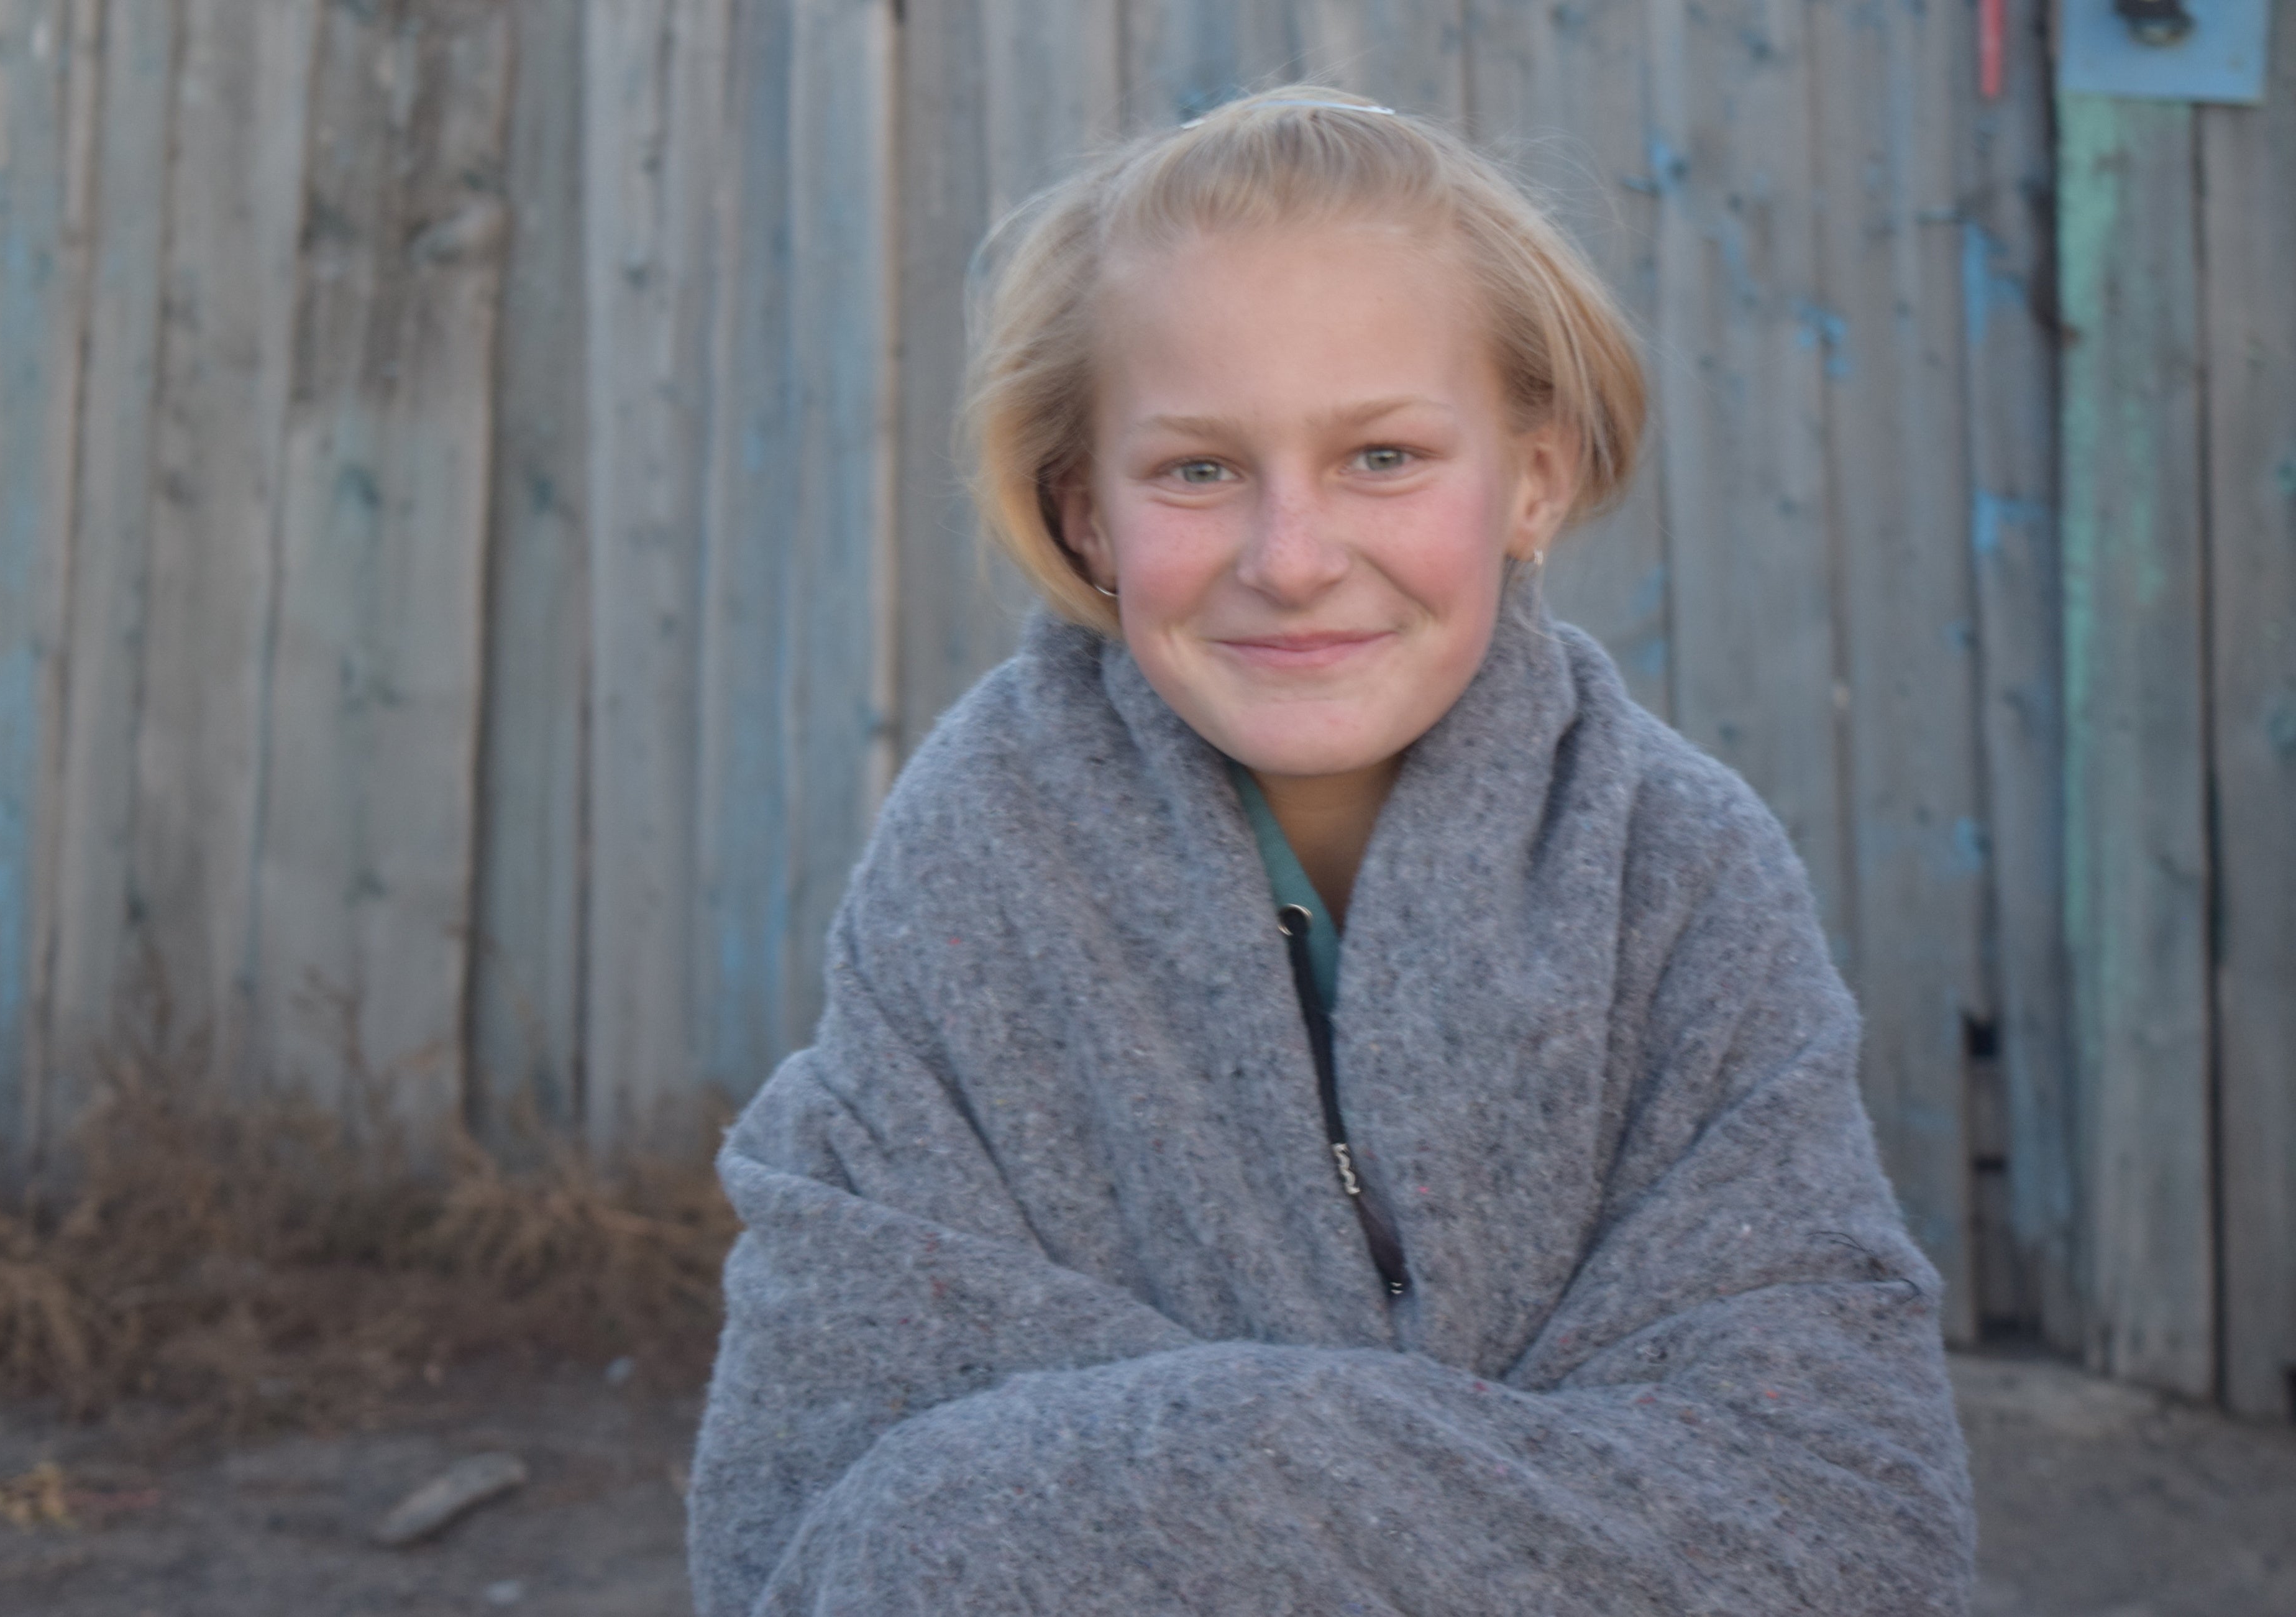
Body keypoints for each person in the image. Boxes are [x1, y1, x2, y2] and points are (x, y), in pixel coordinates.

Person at [687, 86, 1973, 1615]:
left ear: (1534, 477)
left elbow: (1846, 1517)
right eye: (1198, 470)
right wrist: (1489, 1477)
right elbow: (821, 1501)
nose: (1291, 560)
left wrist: (1196, 1467)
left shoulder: (1682, 870)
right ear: (1085, 514)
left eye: (1382, 456)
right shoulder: (971, 867)